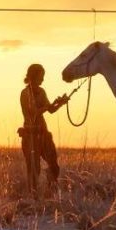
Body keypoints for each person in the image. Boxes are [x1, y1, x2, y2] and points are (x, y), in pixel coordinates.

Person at [18, 63, 69, 195]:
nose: (43, 79)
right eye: (41, 76)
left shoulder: (42, 91)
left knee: (54, 166)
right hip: (30, 136)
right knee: (34, 170)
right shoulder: (25, 93)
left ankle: (50, 192)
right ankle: (33, 199)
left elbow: (50, 109)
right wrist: (49, 106)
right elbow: (33, 112)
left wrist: (60, 103)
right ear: (33, 76)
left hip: (44, 134)